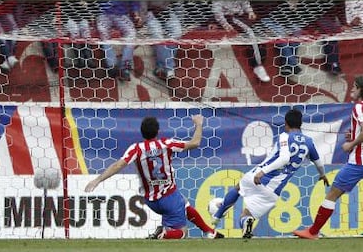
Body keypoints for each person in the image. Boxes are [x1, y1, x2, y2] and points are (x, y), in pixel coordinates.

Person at [211, 108, 329, 238]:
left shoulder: (284, 136)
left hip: (258, 177)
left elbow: (284, 158)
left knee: (239, 187)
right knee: (246, 215)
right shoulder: (309, 142)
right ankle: (247, 222)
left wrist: (263, 172)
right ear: (301, 124)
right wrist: (322, 175)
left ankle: (217, 215)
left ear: (286, 123)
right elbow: (318, 163)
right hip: (273, 191)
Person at [85, 114, 206, 239]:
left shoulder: (136, 149)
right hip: (168, 197)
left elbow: (117, 166)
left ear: (141, 132)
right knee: (183, 232)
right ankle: (163, 234)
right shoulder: (166, 144)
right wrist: (198, 124)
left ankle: (209, 232)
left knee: (184, 202)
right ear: (158, 131)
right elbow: (195, 143)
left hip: (151, 201)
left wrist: (97, 180)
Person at [294, 76, 363, 239]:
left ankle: (312, 232)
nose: (352, 89)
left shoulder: (359, 107)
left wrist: (352, 143)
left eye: (355, 86)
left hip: (358, 162)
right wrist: (353, 135)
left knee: (332, 194)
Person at [212, 0, 270, 83]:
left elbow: (244, 0)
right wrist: (225, 24)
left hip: (241, 15)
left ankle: (259, 64)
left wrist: (250, 12)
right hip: (229, 17)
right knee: (251, 34)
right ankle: (258, 66)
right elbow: (216, 6)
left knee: (261, 32)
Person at [90, 0, 141, 81]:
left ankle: (125, 67)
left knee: (132, 32)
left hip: (121, 14)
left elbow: (133, 0)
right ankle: (111, 65)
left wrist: (136, 14)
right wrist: (92, 16)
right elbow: (90, 2)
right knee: (103, 32)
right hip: (103, 14)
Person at [139, 0, 184, 80]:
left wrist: (180, 21)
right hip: (150, 12)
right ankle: (169, 68)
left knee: (177, 32)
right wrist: (143, 19)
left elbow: (179, 3)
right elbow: (142, 3)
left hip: (168, 11)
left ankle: (160, 66)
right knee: (158, 36)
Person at [305, 0, 347, 76]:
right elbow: (305, 10)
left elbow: (340, 6)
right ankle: (334, 64)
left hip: (329, 19)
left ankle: (332, 64)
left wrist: (344, 23)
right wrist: (314, 27)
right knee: (332, 32)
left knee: (332, 30)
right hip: (313, 18)